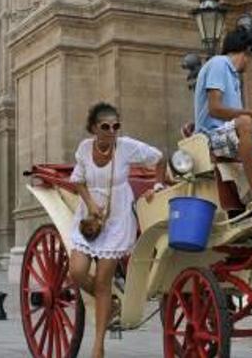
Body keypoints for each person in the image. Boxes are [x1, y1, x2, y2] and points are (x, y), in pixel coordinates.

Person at [65, 102, 166, 358]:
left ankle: (98, 347)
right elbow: (78, 181)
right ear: (93, 128)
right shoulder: (84, 149)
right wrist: (90, 204)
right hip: (90, 217)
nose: (112, 131)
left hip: (119, 217)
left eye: (116, 126)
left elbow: (160, 157)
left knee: (102, 280)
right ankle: (110, 303)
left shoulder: (127, 146)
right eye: (105, 126)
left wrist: (157, 185)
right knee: (76, 271)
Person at [193, 26, 252, 217]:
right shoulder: (219, 64)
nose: (249, 64)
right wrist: (251, 113)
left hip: (227, 135)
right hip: (209, 140)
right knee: (245, 122)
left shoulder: (233, 76)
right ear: (247, 52)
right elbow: (215, 109)